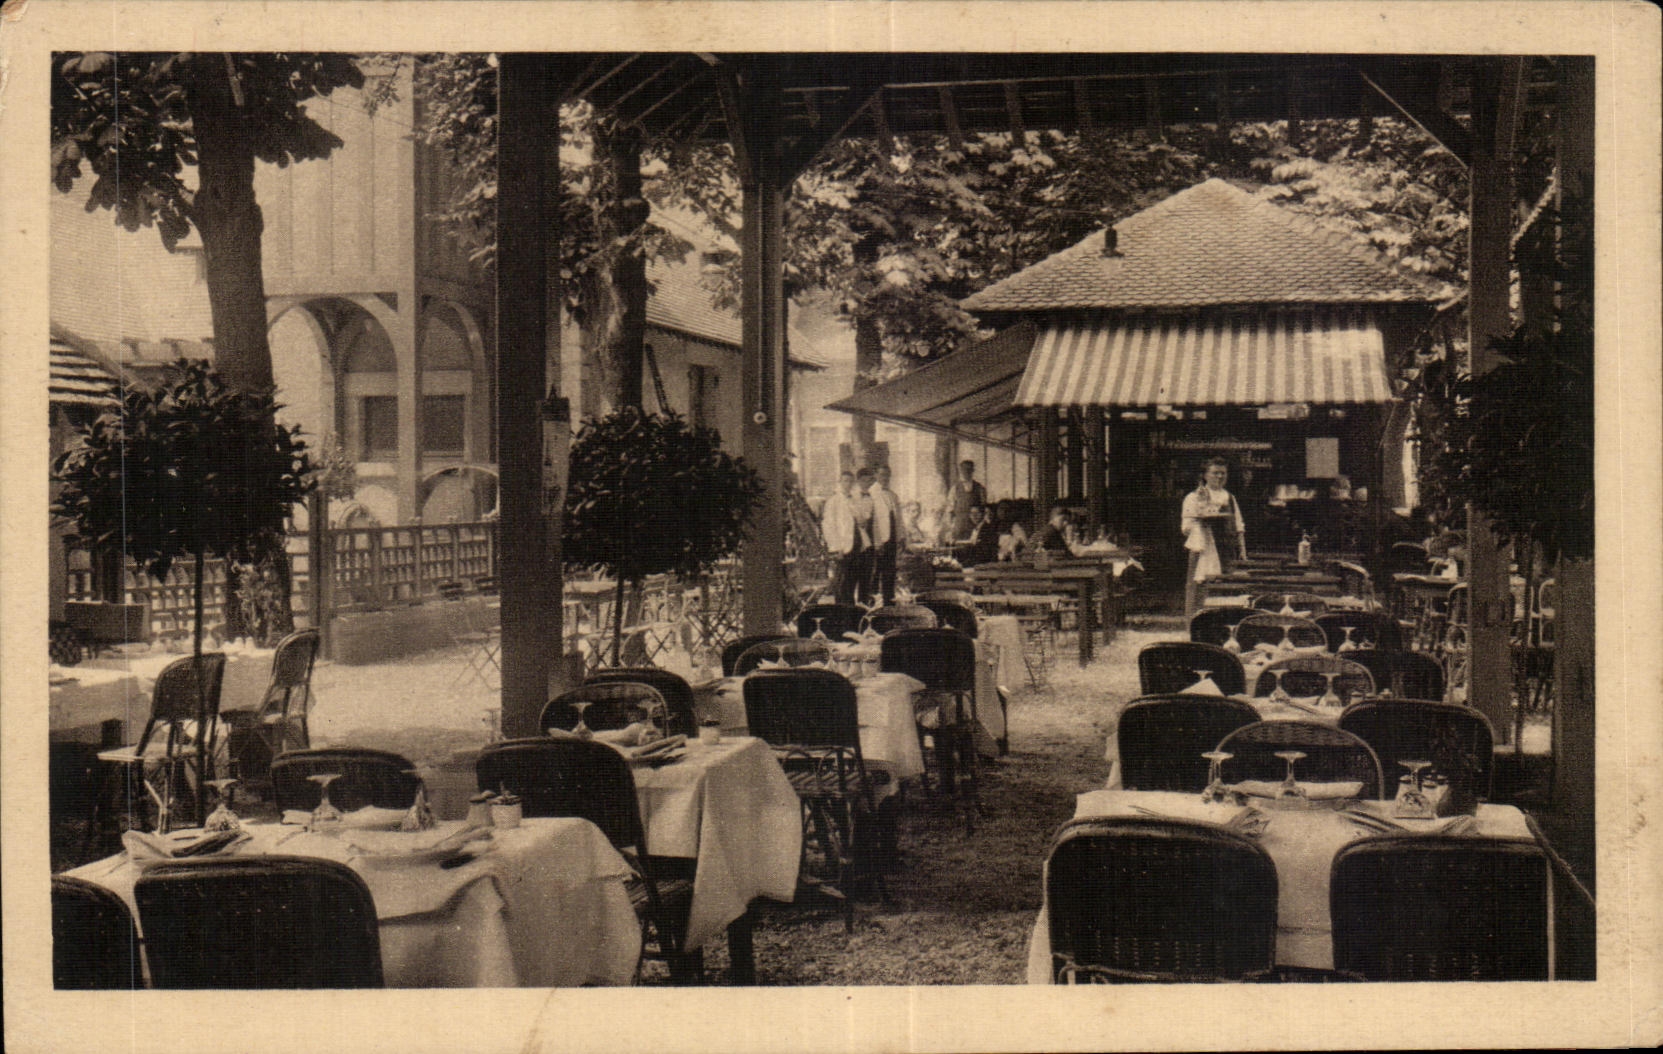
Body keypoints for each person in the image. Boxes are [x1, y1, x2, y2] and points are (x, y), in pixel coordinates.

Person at [1181, 457, 1248, 617]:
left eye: (1223, 473)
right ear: (1205, 475)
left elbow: (1239, 526)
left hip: (1226, 550)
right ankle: (1194, 623)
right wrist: (1202, 522)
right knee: (1200, 587)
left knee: (1226, 589)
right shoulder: (1194, 497)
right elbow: (1185, 528)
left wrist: (1243, 551)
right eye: (1215, 473)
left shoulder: (1230, 498)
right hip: (1203, 548)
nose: (1219, 477)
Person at [820, 471, 863, 606]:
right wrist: (836, 548)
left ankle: (851, 614)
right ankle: (840, 614)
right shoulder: (833, 501)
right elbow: (828, 526)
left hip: (856, 546)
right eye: (845, 481)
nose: (847, 484)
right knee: (841, 583)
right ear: (840, 483)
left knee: (852, 582)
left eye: (850, 481)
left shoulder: (855, 500)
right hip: (842, 548)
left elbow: (859, 522)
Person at [870, 464, 903, 604]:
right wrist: (877, 542)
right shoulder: (871, 493)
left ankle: (888, 600)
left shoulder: (892, 495)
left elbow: (899, 519)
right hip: (878, 538)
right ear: (876, 476)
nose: (885, 478)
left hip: (892, 537)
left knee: (890, 570)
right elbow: (872, 520)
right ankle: (871, 601)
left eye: (887, 475)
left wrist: (901, 537)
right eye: (882, 474)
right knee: (875, 570)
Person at [847, 467, 879, 605]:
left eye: (869, 480)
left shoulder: (873, 497)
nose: (866, 483)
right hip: (854, 542)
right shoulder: (851, 497)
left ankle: (863, 609)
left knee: (866, 580)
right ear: (858, 481)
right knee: (851, 580)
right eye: (863, 480)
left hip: (868, 543)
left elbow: (875, 522)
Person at [944, 460, 987, 543]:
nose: (966, 472)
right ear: (960, 470)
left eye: (969, 469)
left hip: (975, 526)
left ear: (973, 470)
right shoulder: (955, 488)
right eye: (964, 469)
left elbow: (984, 508)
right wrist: (951, 528)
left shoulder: (980, 488)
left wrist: (979, 525)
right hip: (959, 526)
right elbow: (949, 510)